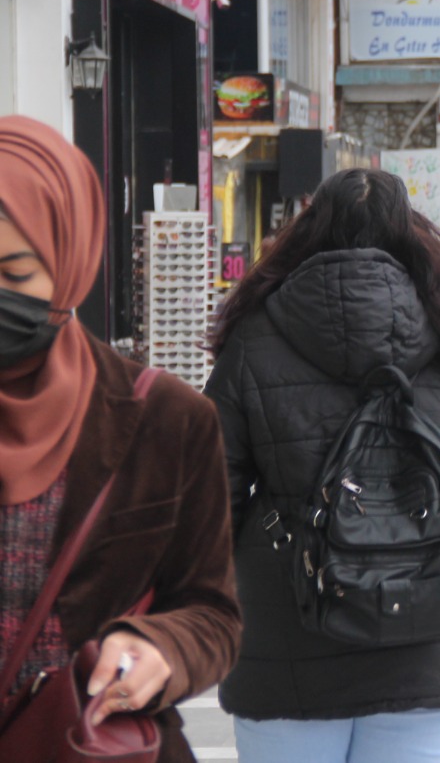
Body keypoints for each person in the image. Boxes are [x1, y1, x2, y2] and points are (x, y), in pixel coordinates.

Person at [207, 167, 440, 762]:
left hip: (286, 632)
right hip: (425, 627)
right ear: (413, 234)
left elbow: (206, 495)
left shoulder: (254, 337)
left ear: (306, 232)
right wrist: (426, 542)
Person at [0, 117, 240, 763]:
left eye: (13, 273)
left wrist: (159, 646)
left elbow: (212, 612)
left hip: (82, 745)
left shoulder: (167, 419)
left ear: (70, 263)